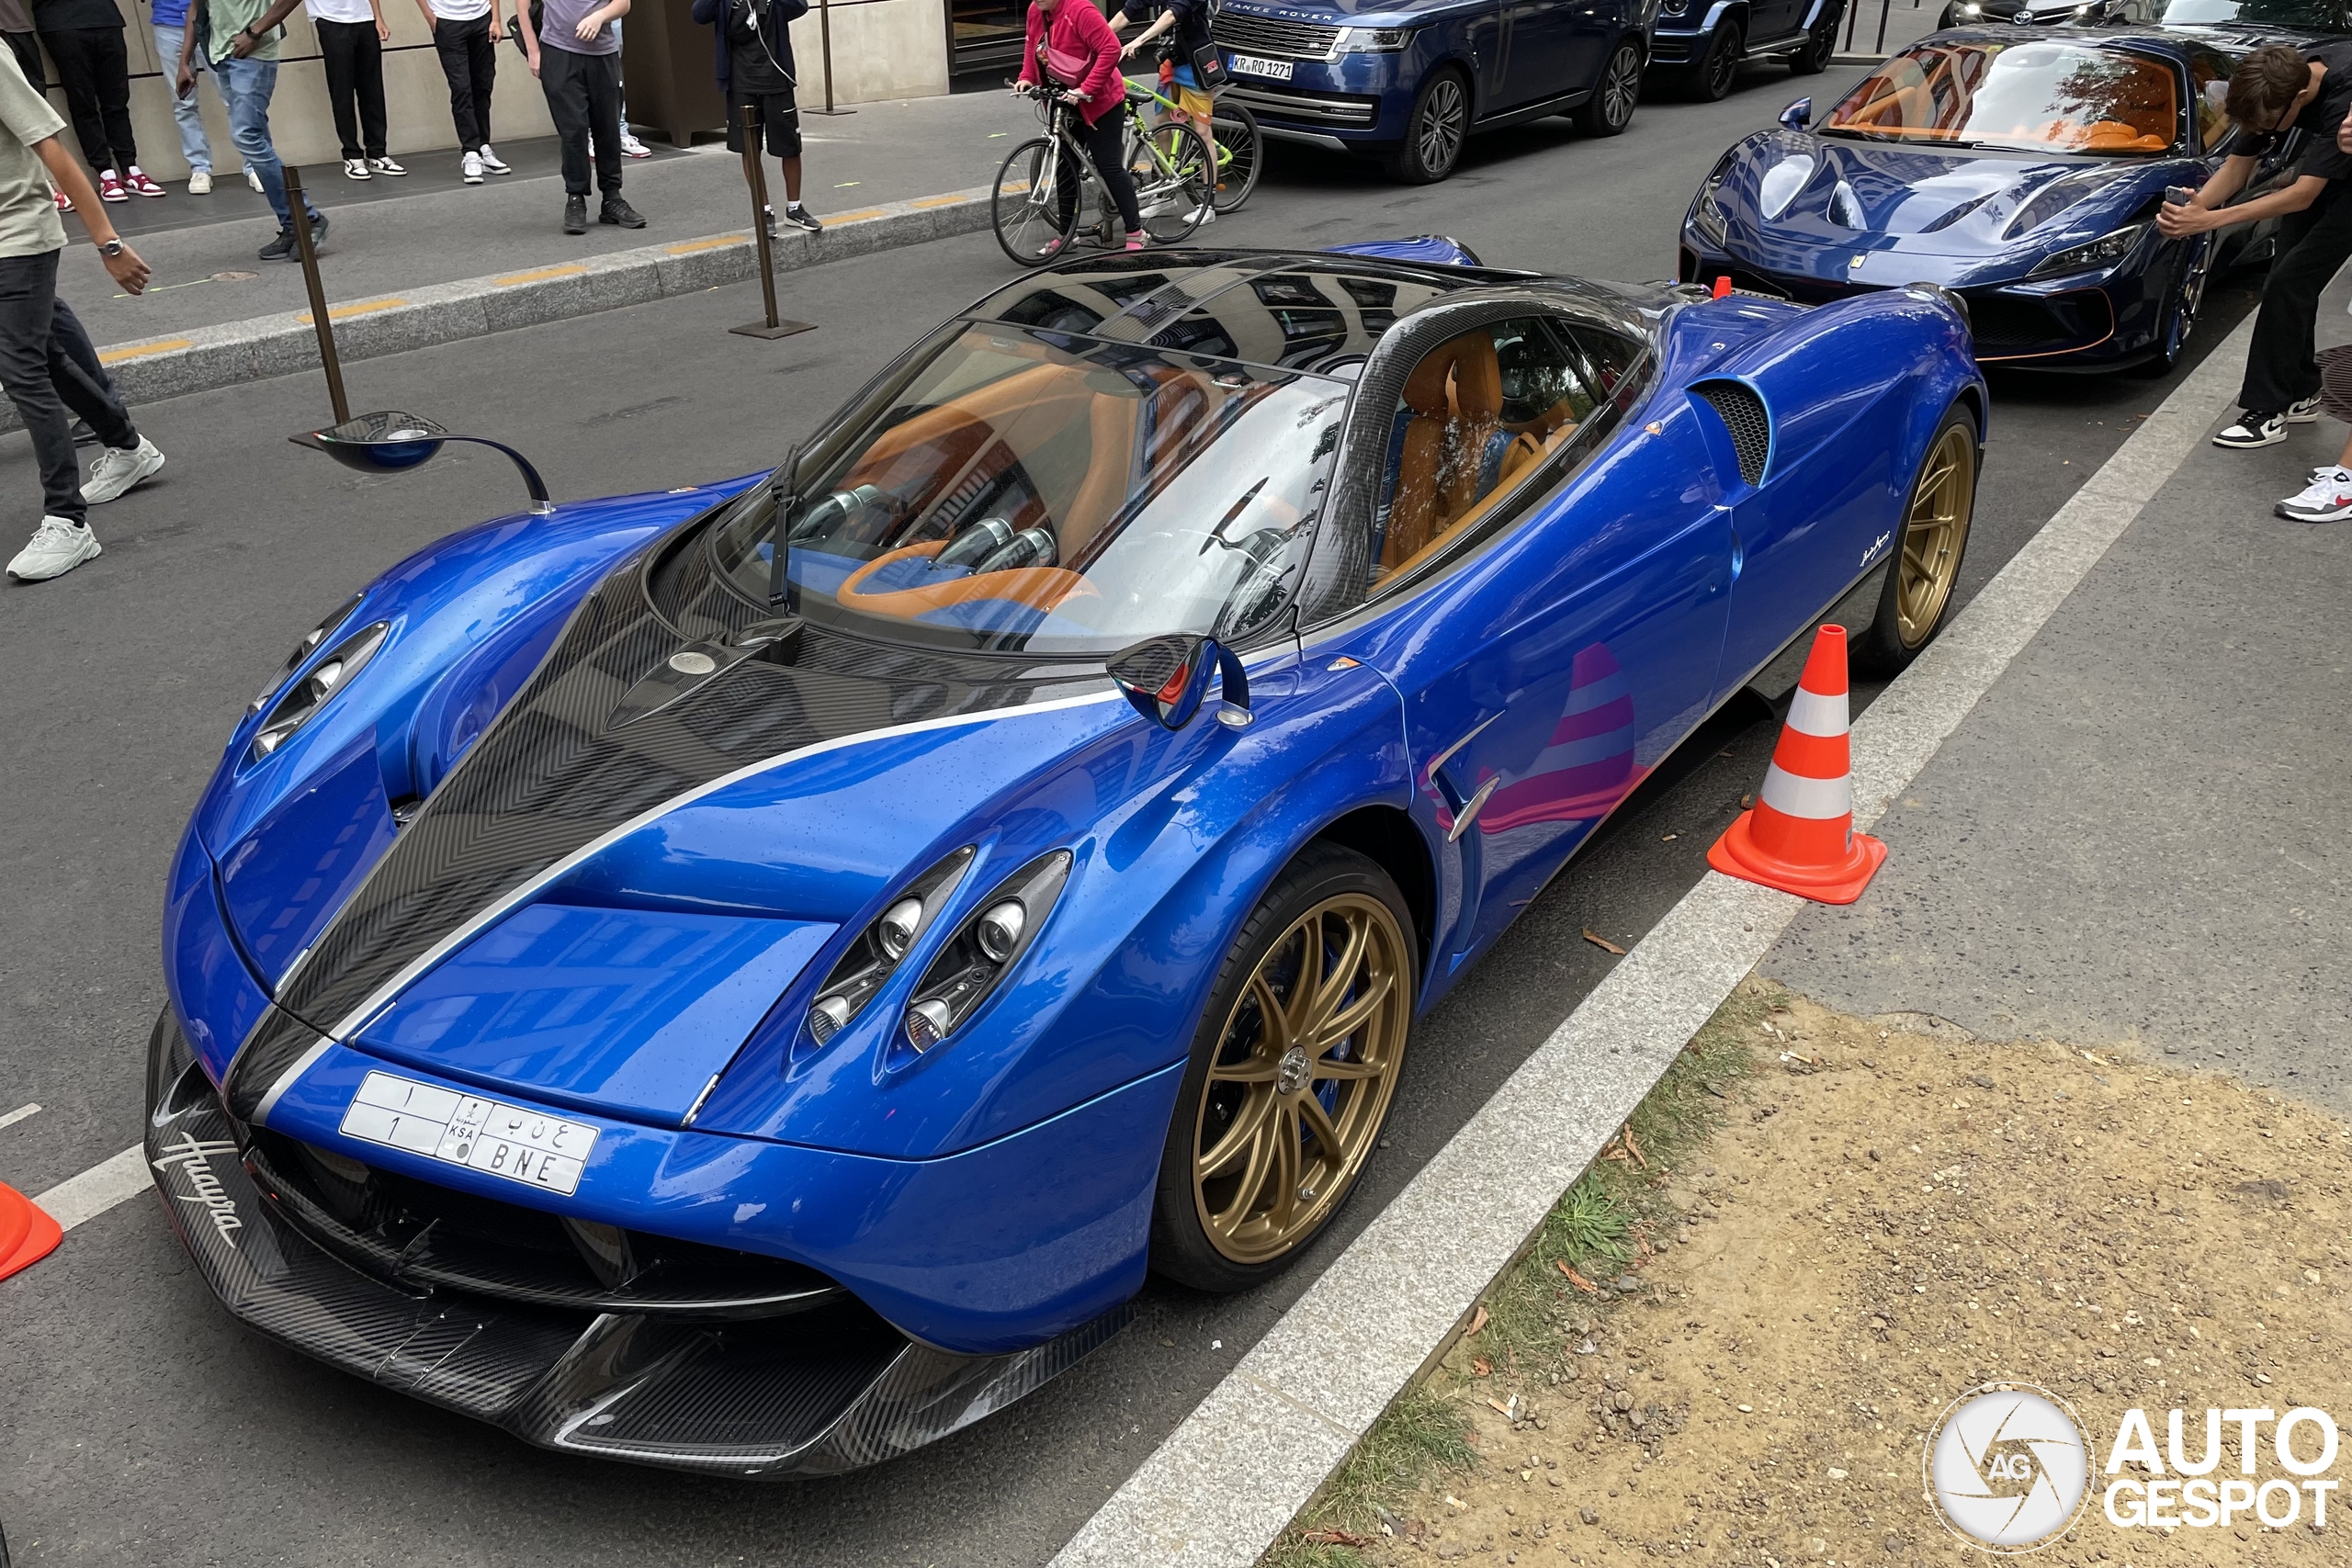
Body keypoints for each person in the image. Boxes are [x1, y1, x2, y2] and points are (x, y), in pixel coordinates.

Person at [0, 43, 167, 582]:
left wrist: (109, 244)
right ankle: (128, 446)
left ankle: (68, 522)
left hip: (15, 235)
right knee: (44, 353)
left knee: (21, 369)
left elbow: (50, 145)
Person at [2161, 41, 2352, 449]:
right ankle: (2300, 390)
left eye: (2270, 124)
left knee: (2289, 281)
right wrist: (2195, 208)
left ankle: (2266, 412)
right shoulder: (2269, 82)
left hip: (2341, 181)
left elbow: (2303, 194)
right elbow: (2236, 167)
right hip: (2326, 169)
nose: (2264, 132)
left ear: (2300, 98)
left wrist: (2211, 220)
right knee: (2286, 278)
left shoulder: (2340, 91)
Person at [177, 0, 331, 262]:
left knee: (246, 136)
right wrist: (185, 61)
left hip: (254, 53)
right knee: (256, 136)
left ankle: (308, 218)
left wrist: (254, 32)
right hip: (221, 55)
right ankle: (293, 225)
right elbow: (195, 7)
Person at [1014, 0, 1141, 255]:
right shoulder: (1036, 10)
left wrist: (1087, 88)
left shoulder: (1081, 11)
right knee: (1065, 168)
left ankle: (1135, 231)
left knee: (1109, 166)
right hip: (1062, 97)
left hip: (1099, 100)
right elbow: (1032, 44)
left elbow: (1110, 49)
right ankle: (1067, 234)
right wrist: (1026, 76)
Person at [691, 0, 820, 237]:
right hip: (741, 82)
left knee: (790, 147)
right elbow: (699, 14)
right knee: (749, 149)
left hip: (777, 78)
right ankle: (764, 210)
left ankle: (794, 209)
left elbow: (800, 6)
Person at [518, 0, 642, 235]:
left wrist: (600, 16)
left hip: (603, 53)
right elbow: (522, 4)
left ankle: (612, 198)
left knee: (608, 128)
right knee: (573, 129)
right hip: (558, 51)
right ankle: (575, 198)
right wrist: (533, 51)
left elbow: (623, 4)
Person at [34, 0, 165, 200]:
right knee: (83, 102)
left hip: (106, 18)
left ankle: (129, 168)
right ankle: (105, 172)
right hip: (60, 23)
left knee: (117, 100)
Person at [309, 0, 401, 179]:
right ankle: (352, 155)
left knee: (373, 90)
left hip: (365, 18)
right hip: (330, 19)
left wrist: (378, 17)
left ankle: (377, 153)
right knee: (342, 92)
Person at [417, 0, 504, 184]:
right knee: (461, 89)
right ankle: (471, 152)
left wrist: (495, 18)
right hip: (447, 21)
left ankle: (483, 146)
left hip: (482, 17)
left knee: (483, 86)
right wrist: (430, 17)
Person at [1111, 0, 1214, 144]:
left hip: (1195, 65)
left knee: (1202, 134)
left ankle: (1210, 165)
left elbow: (1173, 14)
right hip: (1169, 62)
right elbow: (1128, 12)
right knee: (1161, 128)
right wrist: (1099, 36)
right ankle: (1164, 167)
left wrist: (1138, 41)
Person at [148, 0, 220, 191]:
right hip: (169, 21)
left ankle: (254, 164)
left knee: (234, 97)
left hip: (212, 18)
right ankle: (200, 167)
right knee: (183, 101)